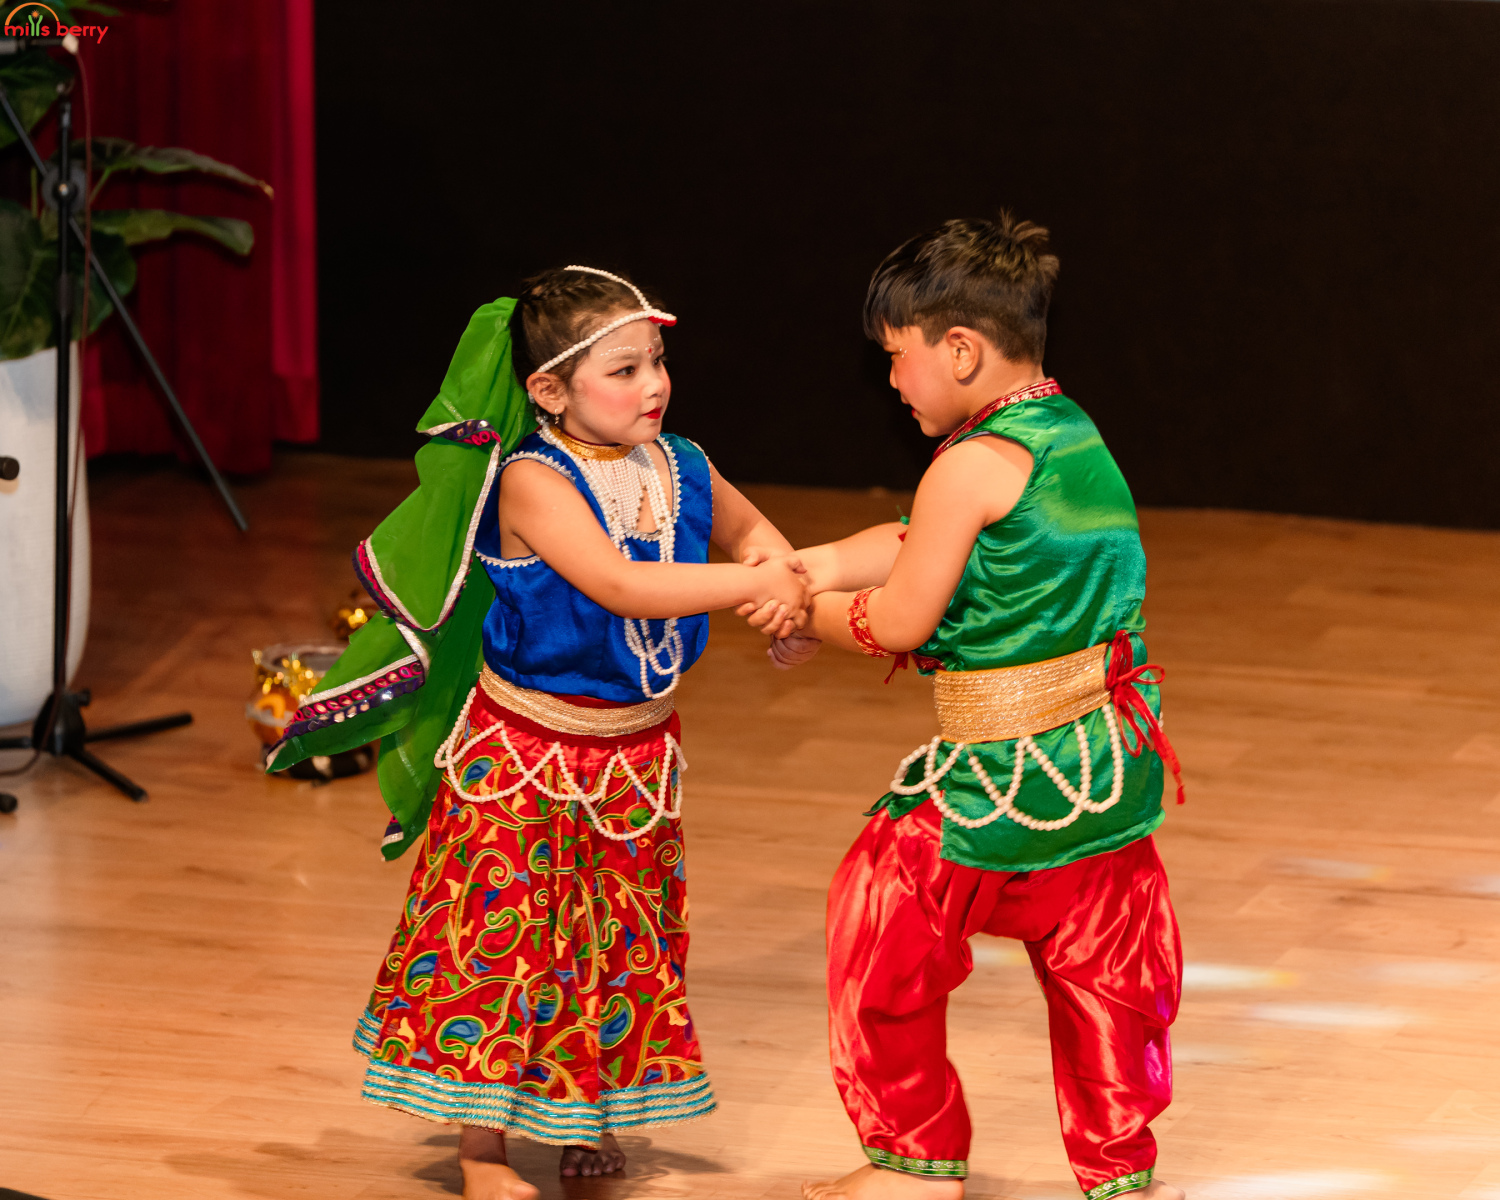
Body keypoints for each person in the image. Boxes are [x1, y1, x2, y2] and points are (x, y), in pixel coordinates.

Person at [269, 266, 807, 1200]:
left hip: (636, 760)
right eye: (625, 370)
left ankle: (585, 1116)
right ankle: (481, 1152)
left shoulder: (682, 463)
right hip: (523, 760)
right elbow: (624, 586)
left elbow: (758, 538)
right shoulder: (531, 479)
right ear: (550, 391)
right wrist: (762, 587)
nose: (654, 384)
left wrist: (783, 598)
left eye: (658, 361)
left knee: (616, 945)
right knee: (503, 947)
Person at [760, 215, 1186, 1200]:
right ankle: (1120, 1171)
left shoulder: (965, 463)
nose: (892, 380)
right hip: (1107, 767)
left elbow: (903, 617)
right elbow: (922, 536)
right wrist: (815, 565)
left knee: (881, 921)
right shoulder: (1066, 431)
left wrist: (798, 612)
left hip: (1005, 782)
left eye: (896, 357)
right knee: (1106, 973)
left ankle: (914, 1165)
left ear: (959, 350)